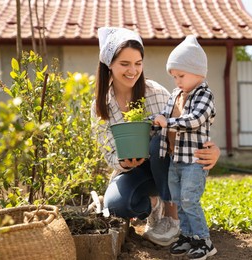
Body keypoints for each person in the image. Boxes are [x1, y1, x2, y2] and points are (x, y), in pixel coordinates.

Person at [90, 27, 220, 247]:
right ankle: (153, 203)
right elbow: (109, 152)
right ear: (108, 64)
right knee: (115, 206)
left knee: (159, 139)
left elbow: (188, 124)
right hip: (134, 170)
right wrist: (121, 161)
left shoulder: (156, 92)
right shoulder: (100, 106)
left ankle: (172, 214)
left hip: (166, 164)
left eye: (138, 63)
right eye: (125, 64)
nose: (133, 70)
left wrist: (213, 150)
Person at [152, 35, 217, 259]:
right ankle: (188, 236)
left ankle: (203, 241)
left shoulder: (204, 95)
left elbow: (194, 120)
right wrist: (157, 119)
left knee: (190, 199)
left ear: (198, 73)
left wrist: (166, 122)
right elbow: (164, 117)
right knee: (179, 200)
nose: (177, 81)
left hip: (194, 160)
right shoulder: (175, 95)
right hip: (175, 158)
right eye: (174, 76)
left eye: (181, 75)